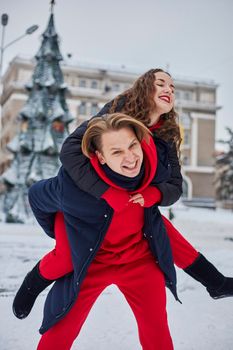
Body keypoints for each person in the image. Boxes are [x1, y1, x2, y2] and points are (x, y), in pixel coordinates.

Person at [59, 68, 233, 299]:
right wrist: (105, 192)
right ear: (144, 88)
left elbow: (175, 187)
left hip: (131, 204)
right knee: (62, 259)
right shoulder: (117, 112)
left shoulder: (167, 133)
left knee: (157, 227)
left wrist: (155, 194)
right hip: (90, 201)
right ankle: (216, 282)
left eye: (172, 88)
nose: (168, 90)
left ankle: (216, 283)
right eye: (161, 83)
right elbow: (71, 150)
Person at [15, 113, 177, 350]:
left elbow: (172, 231)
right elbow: (37, 197)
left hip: (136, 261)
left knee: (158, 332)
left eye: (132, 145)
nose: (130, 157)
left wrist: (212, 279)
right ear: (100, 157)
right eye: (116, 151)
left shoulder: (150, 177)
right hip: (88, 260)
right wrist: (59, 232)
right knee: (59, 332)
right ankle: (32, 284)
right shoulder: (72, 186)